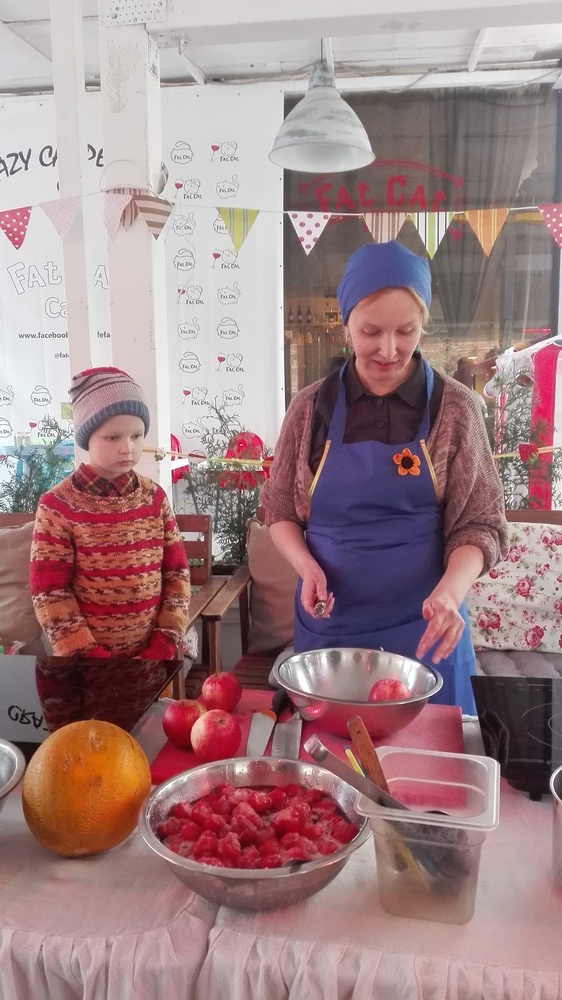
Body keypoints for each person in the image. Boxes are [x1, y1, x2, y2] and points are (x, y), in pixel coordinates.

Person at [260, 241, 508, 713]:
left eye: (406, 331)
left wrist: (450, 593)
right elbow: (280, 510)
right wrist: (306, 566)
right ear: (346, 323)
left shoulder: (455, 409)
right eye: (371, 331)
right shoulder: (310, 408)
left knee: (430, 755)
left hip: (427, 632)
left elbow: (479, 523)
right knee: (332, 755)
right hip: (331, 631)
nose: (389, 350)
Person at [30, 367, 191, 660]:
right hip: (87, 667)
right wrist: (88, 656)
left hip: (154, 661)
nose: (127, 448)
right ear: (87, 437)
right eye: (112, 437)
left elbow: (176, 574)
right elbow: (50, 591)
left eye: (136, 435)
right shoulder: (57, 507)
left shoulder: (154, 498)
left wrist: (164, 643)